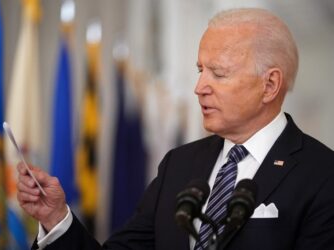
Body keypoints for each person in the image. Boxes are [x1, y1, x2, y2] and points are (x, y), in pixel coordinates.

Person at [17, 8, 334, 250]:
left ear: (270, 85)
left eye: (219, 74)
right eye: (200, 70)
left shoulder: (322, 175)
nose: (199, 87)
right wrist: (56, 218)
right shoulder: (179, 165)